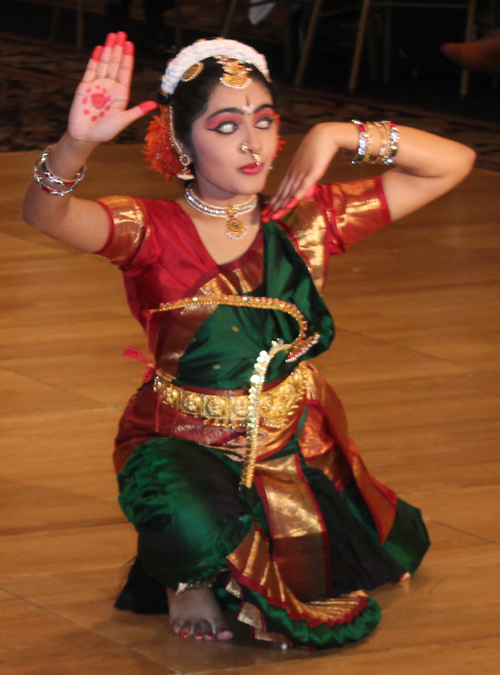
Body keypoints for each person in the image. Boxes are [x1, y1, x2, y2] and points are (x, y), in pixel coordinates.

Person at [22, 31, 475, 649]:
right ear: (182, 142)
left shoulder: (305, 219)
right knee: (186, 524)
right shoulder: (149, 229)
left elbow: (455, 162)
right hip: (181, 436)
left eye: (264, 121)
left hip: (290, 438)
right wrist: (76, 144)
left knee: (348, 556)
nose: (253, 143)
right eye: (226, 126)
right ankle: (187, 582)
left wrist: (338, 134)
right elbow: (44, 215)